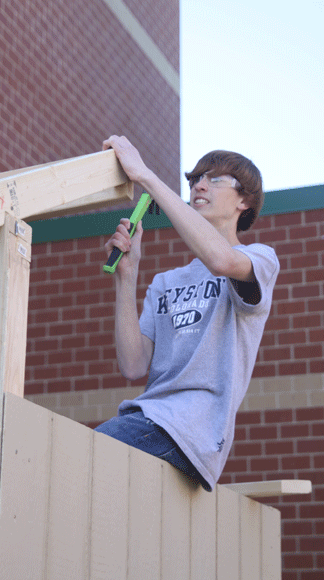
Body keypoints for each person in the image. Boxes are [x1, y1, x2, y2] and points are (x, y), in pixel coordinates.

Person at [95, 135, 279, 491]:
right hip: (146, 417)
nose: (199, 185)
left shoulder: (259, 260)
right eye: (195, 179)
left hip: (190, 431)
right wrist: (127, 278)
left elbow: (220, 260)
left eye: (215, 179)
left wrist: (145, 175)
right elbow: (133, 365)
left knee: (85, 455)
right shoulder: (166, 282)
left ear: (245, 200)